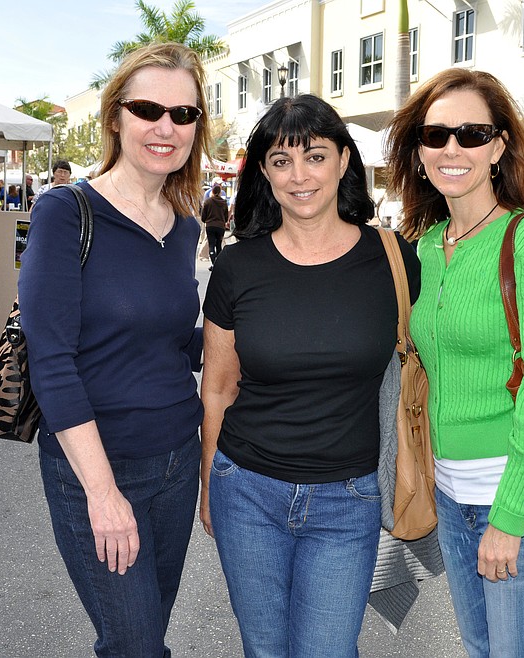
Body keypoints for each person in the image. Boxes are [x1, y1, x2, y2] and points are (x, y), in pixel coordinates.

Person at [200, 93, 420, 658]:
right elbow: (219, 387)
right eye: (281, 161)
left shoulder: (395, 260)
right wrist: (208, 485)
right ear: (265, 173)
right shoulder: (236, 266)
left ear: (345, 161)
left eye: (315, 156)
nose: (300, 176)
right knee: (265, 651)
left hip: (349, 498)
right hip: (244, 490)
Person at [18, 42, 210, 658]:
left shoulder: (184, 225)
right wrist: (103, 493)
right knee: (135, 645)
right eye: (149, 108)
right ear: (115, 117)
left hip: (178, 460)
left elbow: (176, 342)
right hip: (98, 468)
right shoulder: (65, 211)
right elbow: (50, 359)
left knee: (144, 636)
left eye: (184, 114)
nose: (166, 127)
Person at [385, 69, 524, 658]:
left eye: (471, 134)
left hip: (521, 497)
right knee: (478, 648)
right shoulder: (424, 247)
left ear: (497, 148)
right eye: (436, 134)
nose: (452, 148)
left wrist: (511, 513)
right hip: (448, 493)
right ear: (418, 152)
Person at [200, 183, 227, 267]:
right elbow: (226, 216)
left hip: (210, 225)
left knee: (211, 245)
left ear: (212, 191)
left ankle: (213, 263)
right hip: (220, 226)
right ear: (220, 193)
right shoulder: (224, 202)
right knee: (219, 245)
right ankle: (218, 264)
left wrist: (205, 221)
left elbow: (203, 215)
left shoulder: (208, 201)